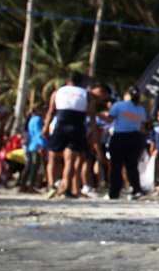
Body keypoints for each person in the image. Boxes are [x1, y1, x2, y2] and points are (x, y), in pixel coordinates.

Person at [43, 71, 98, 199]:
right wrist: (94, 134)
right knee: (70, 160)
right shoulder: (87, 94)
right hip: (77, 127)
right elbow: (92, 117)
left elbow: (50, 112)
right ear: (81, 82)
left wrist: (45, 127)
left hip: (60, 125)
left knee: (52, 157)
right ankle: (66, 188)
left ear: (68, 80)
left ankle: (51, 185)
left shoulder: (58, 92)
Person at [107, 87, 148, 200]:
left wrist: (96, 113)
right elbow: (142, 128)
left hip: (120, 137)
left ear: (127, 94)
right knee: (132, 165)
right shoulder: (141, 109)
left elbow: (109, 120)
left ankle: (114, 192)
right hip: (135, 138)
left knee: (116, 165)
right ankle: (136, 189)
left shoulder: (119, 105)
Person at [19, 103, 46, 193]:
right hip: (36, 146)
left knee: (28, 166)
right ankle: (30, 187)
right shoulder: (38, 120)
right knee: (34, 167)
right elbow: (39, 133)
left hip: (30, 146)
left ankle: (22, 186)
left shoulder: (31, 119)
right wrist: (41, 145)